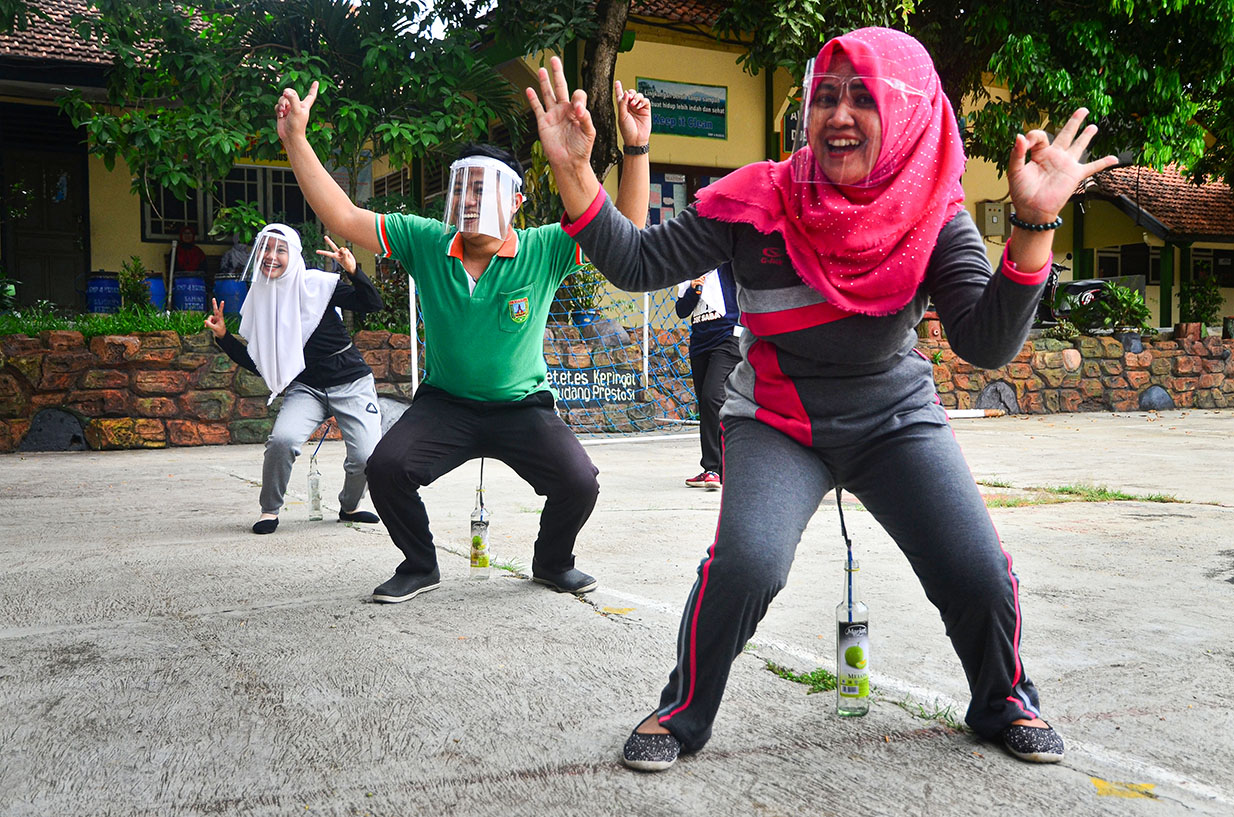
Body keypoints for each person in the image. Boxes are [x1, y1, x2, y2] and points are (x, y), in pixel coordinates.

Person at [527, 28, 1118, 770]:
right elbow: (640, 262)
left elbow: (984, 341)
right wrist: (576, 171)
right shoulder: (757, 199)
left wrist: (1032, 224)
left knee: (978, 569)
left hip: (894, 418)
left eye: (864, 98)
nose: (839, 114)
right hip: (777, 415)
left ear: (908, 115)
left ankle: (1002, 699)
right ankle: (684, 709)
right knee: (748, 564)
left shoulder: (934, 210)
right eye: (827, 97)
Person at [274, 78, 652, 603]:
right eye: (466, 187)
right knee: (385, 468)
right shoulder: (427, 241)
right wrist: (295, 137)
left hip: (523, 407)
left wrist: (636, 148)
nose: (473, 199)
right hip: (446, 404)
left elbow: (628, 232)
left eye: (487, 188)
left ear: (516, 201)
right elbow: (342, 217)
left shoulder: (544, 247)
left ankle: (551, 562)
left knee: (579, 480)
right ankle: (420, 564)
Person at [204, 224, 385, 534]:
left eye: (281, 250)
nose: (271, 257)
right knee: (281, 441)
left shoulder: (317, 284)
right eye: (266, 250)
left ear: (295, 254)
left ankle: (350, 505)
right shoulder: (261, 299)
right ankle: (269, 510)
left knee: (367, 455)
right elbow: (258, 362)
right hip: (307, 387)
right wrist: (223, 337)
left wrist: (354, 270)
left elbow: (372, 304)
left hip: (351, 381)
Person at [674, 263, 741, 490]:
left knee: (714, 397)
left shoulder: (726, 264)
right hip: (700, 343)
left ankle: (714, 467)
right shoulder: (686, 271)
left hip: (728, 338)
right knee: (706, 402)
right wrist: (694, 288)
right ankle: (715, 469)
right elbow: (682, 310)